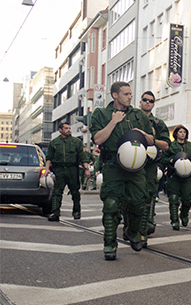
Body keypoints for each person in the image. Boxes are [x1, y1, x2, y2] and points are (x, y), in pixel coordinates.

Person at [90, 82, 155, 260]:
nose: (129, 97)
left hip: (137, 166)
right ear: (115, 95)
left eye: (130, 94)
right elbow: (98, 139)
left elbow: (151, 140)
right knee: (111, 205)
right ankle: (109, 245)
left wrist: (141, 132)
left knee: (138, 203)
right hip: (113, 165)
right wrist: (113, 121)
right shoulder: (101, 114)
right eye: (125, 94)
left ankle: (132, 232)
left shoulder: (138, 115)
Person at [139, 91, 170, 238]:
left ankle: (146, 225)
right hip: (131, 164)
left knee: (149, 195)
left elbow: (166, 145)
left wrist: (151, 140)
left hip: (150, 165)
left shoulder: (158, 123)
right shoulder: (131, 119)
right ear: (140, 102)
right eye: (145, 100)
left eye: (150, 101)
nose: (147, 102)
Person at [45, 122, 91, 221]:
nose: (69, 130)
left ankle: (76, 212)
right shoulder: (54, 143)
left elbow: (82, 156)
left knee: (75, 192)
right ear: (60, 130)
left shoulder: (76, 142)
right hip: (59, 169)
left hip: (72, 169)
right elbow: (49, 157)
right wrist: (47, 169)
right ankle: (55, 213)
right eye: (66, 128)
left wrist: (86, 169)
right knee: (57, 192)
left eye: (69, 128)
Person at [162, 125, 191, 230]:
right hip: (174, 176)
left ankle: (184, 215)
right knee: (173, 199)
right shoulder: (171, 146)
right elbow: (163, 159)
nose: (183, 134)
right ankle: (174, 220)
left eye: (184, 132)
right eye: (180, 132)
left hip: (187, 176)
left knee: (187, 199)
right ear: (176, 134)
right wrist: (170, 160)